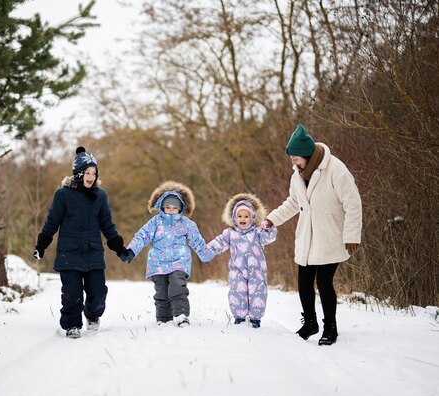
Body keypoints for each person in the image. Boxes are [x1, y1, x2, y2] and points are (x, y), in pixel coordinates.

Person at [264, 124, 362, 345]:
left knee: (324, 282)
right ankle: (310, 323)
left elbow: (353, 203)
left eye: (296, 159)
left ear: (308, 155)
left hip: (330, 235)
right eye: (292, 159)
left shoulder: (335, 169)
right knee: (304, 282)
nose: (293, 163)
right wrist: (272, 219)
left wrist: (352, 235)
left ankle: (330, 328)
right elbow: (293, 202)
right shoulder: (297, 175)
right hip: (307, 236)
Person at [33, 146, 128, 339]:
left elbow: (107, 224)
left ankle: (92, 316)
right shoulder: (63, 195)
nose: (91, 176)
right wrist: (41, 245)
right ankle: (72, 325)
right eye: (87, 172)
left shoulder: (100, 196)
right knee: (72, 294)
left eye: (94, 173)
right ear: (78, 174)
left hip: (93, 252)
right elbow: (52, 222)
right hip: (69, 254)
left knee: (98, 293)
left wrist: (118, 246)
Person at [120, 181, 213, 327]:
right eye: (168, 207)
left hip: (179, 262)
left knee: (177, 286)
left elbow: (197, 240)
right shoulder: (155, 222)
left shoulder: (187, 224)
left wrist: (205, 254)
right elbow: (142, 236)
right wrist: (131, 250)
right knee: (161, 292)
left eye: (175, 208)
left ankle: (181, 315)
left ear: (180, 208)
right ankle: (163, 320)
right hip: (158, 263)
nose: (171, 210)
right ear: (162, 207)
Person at [206, 193, 278, 329]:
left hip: (257, 270)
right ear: (234, 218)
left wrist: (269, 227)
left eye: (246, 216)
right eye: (239, 216)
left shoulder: (257, 232)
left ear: (252, 217)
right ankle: (239, 316)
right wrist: (208, 250)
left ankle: (255, 318)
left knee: (257, 292)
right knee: (237, 292)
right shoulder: (230, 233)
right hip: (237, 270)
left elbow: (270, 237)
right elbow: (219, 242)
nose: (243, 219)